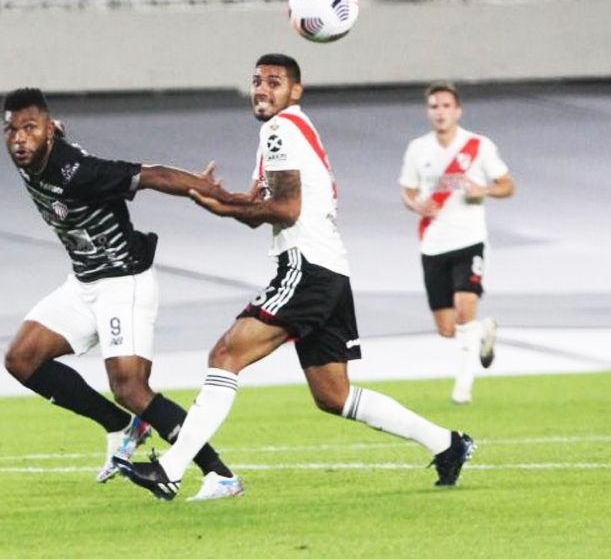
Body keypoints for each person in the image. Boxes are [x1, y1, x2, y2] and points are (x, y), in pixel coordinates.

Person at [113, 55, 474, 501]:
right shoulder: (292, 132)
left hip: (306, 268)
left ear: (295, 91)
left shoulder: (280, 130)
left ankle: (172, 468)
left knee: (225, 354)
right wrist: (220, 199)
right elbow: (257, 209)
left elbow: (285, 209)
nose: (262, 89)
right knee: (333, 394)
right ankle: (447, 444)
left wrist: (225, 205)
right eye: (256, 81)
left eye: (274, 82)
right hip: (330, 270)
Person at [0, 87, 244, 501]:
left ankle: (219, 474)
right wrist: (51, 128)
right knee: (21, 359)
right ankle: (120, 426)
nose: (20, 139)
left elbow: (153, 175)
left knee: (131, 388)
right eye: (11, 130)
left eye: (30, 128)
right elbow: (48, 130)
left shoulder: (77, 171)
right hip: (83, 284)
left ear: (46, 132)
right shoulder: (32, 150)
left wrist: (211, 190)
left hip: (123, 283)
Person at [399, 83, 514, 404]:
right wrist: (415, 204)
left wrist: (486, 190)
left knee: (465, 310)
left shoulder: (478, 146)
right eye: (434, 106)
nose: (440, 112)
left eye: (446, 106)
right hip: (433, 244)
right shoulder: (418, 149)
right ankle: (484, 331)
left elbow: (507, 185)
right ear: (428, 112)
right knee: (448, 328)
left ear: (457, 111)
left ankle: (462, 388)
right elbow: (407, 190)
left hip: (469, 240)